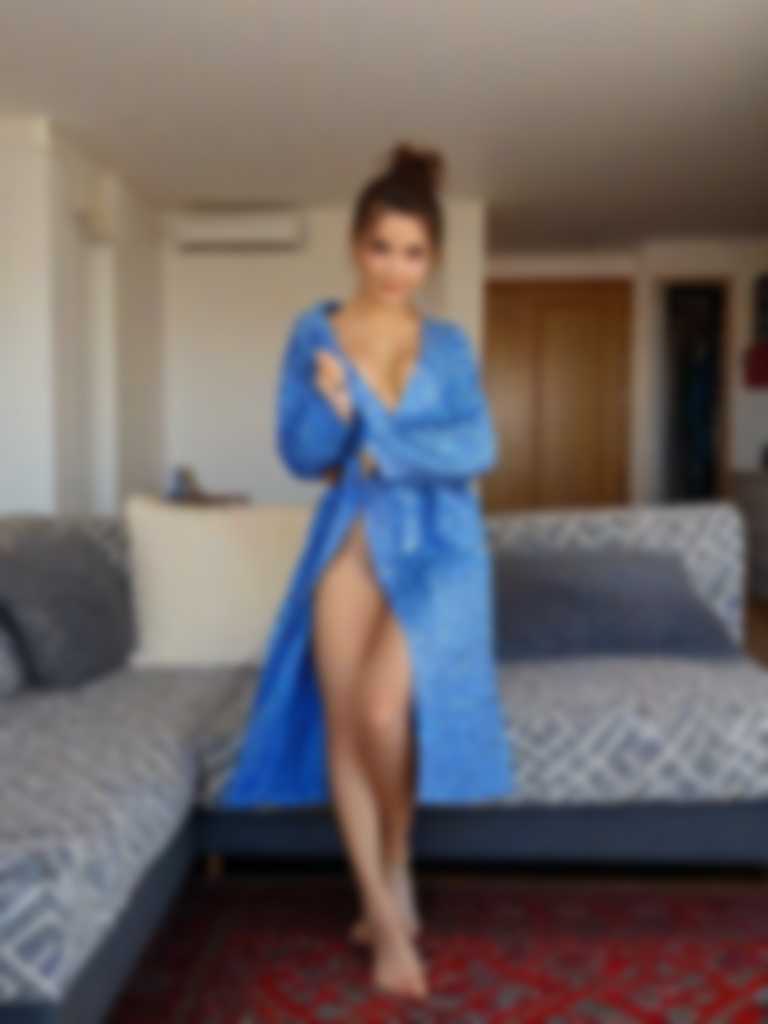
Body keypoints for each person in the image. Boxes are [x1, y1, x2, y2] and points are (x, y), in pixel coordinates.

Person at [216, 141, 515, 1000]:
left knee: (386, 711)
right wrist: (333, 405)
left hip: (441, 540)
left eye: (413, 253)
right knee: (348, 728)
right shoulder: (315, 333)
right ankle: (382, 914)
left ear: (433, 259)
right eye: (382, 247)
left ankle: (397, 853)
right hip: (349, 537)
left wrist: (379, 440)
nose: (395, 268)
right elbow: (303, 453)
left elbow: (477, 446)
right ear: (356, 244)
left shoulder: (447, 345)